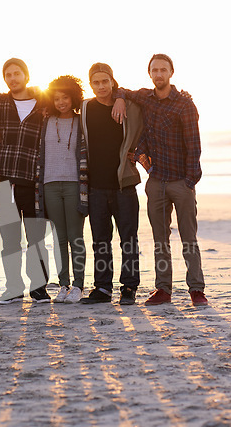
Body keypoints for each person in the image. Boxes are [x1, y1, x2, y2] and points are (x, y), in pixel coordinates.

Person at [121, 54, 208, 306]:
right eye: (154, 70)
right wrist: (118, 98)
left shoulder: (184, 105)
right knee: (160, 239)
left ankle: (196, 290)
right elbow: (123, 91)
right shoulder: (145, 98)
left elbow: (194, 145)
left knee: (188, 238)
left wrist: (190, 180)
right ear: (149, 73)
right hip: (156, 181)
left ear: (171, 72)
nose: (159, 74)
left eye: (163, 70)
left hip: (181, 181)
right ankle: (163, 290)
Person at [80, 63, 143, 305]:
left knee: (128, 238)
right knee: (100, 240)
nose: (100, 86)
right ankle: (103, 288)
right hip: (96, 186)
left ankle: (129, 287)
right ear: (90, 84)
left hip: (123, 186)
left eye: (105, 81)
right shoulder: (86, 107)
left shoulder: (127, 105)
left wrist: (120, 97)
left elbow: (146, 120)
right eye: (95, 82)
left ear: (112, 81)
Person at [0, 58, 51, 304]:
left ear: (26, 75)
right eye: (8, 75)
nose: (13, 78)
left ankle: (39, 288)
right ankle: (13, 287)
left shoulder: (43, 102)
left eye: (17, 73)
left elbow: (69, 97)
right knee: (10, 240)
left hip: (33, 181)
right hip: (5, 181)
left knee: (36, 238)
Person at [36, 76, 88, 303]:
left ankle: (78, 286)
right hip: (50, 184)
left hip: (74, 184)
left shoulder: (81, 121)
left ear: (73, 97)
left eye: (65, 97)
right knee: (59, 238)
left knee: (76, 237)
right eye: (56, 98)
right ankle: (63, 285)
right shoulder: (45, 121)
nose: (61, 102)